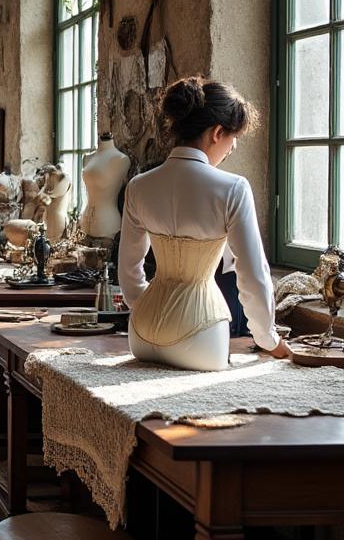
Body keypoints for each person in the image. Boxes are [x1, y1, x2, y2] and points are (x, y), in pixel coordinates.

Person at [117, 76, 291, 370]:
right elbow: (253, 274)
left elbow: (129, 273)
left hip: (141, 336)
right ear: (217, 132)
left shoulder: (138, 186)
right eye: (233, 138)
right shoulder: (233, 188)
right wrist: (269, 339)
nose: (233, 148)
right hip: (201, 337)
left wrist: (145, 310)